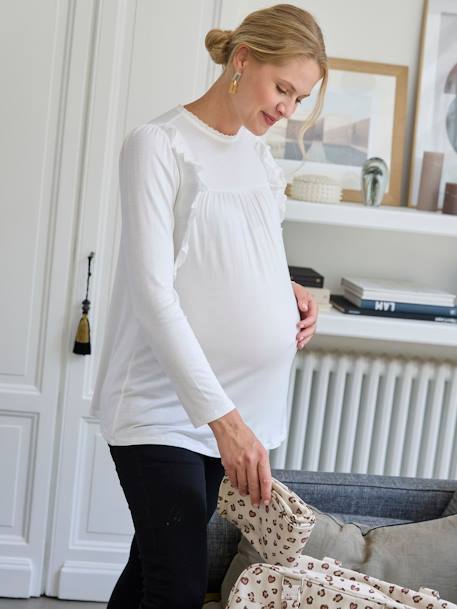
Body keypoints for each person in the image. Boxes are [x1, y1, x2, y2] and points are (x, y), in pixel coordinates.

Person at [89, 3, 328, 608]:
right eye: (283, 89)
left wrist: (288, 292)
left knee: (151, 570)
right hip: (164, 404)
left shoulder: (257, 154)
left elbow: (247, 253)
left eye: (299, 98)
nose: (287, 110)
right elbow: (153, 294)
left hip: (236, 405)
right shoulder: (158, 145)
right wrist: (225, 421)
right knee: (176, 585)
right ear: (243, 60)